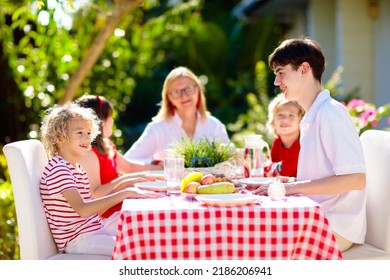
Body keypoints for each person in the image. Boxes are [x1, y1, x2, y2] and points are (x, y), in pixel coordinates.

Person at [268, 38, 366, 252]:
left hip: (336, 227)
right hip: (319, 216)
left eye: (281, 72)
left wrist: (295, 187)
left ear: (304, 69)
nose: (276, 82)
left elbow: (356, 179)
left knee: (265, 239)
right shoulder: (314, 115)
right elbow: (324, 175)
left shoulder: (330, 114)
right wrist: (292, 182)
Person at [39, 102, 161, 255]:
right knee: (138, 249)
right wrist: (124, 193)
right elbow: (83, 210)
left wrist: (125, 186)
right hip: (79, 240)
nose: (87, 138)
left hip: (93, 232)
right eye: (80, 133)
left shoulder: (76, 168)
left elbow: (91, 212)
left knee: (144, 238)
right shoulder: (59, 169)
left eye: (89, 133)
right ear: (59, 137)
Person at [75, 95, 162, 220]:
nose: (112, 121)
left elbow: (130, 167)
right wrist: (125, 182)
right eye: (110, 117)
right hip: (107, 216)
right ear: (99, 121)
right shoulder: (89, 153)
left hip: (120, 207)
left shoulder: (107, 145)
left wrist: (158, 168)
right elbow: (95, 193)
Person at [124, 66, 230, 165]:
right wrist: (156, 164)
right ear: (168, 98)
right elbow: (129, 161)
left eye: (188, 89)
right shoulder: (158, 129)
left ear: (198, 89)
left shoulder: (214, 125)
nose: (184, 96)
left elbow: (231, 158)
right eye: (176, 92)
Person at [264, 94, 305, 178]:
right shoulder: (277, 142)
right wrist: (272, 167)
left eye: (291, 115)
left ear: (300, 120)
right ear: (273, 121)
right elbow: (265, 172)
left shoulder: (302, 144)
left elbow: (284, 171)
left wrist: (270, 166)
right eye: (280, 115)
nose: (285, 120)